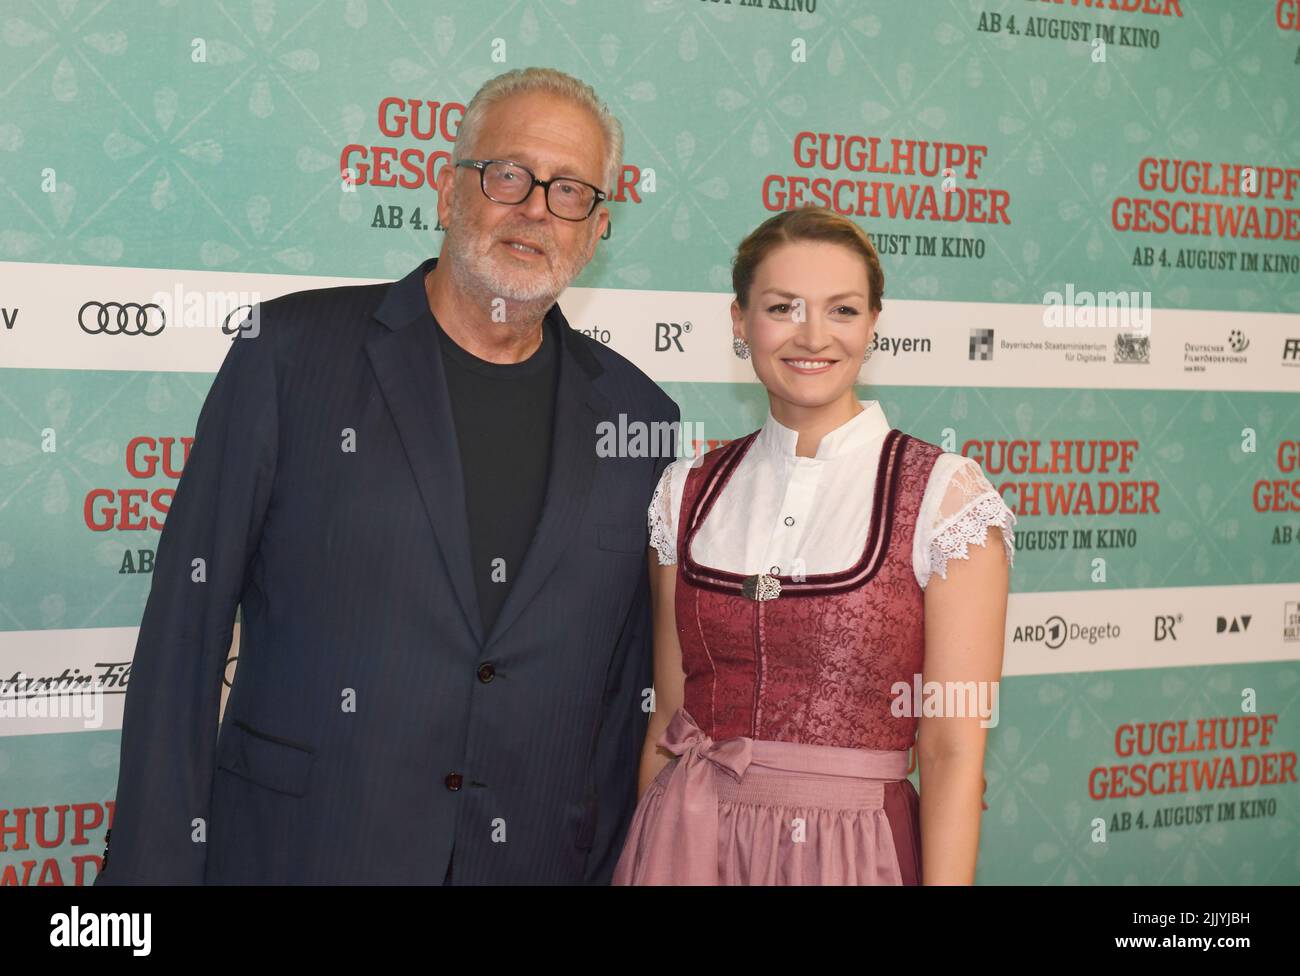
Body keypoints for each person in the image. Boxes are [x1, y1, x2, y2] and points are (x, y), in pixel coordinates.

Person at [96, 67, 679, 885]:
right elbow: (184, 638)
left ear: (596, 228)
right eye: (508, 173)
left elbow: (629, 694)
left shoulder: (641, 419)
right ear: (449, 192)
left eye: (571, 191)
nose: (536, 207)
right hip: (303, 853)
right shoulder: (290, 354)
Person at [612, 205, 1015, 885]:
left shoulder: (945, 496)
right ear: (739, 323)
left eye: (843, 310)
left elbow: (951, 752)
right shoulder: (686, 489)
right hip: (686, 841)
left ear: (874, 325)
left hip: (851, 855)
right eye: (783, 307)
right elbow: (667, 719)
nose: (813, 335)